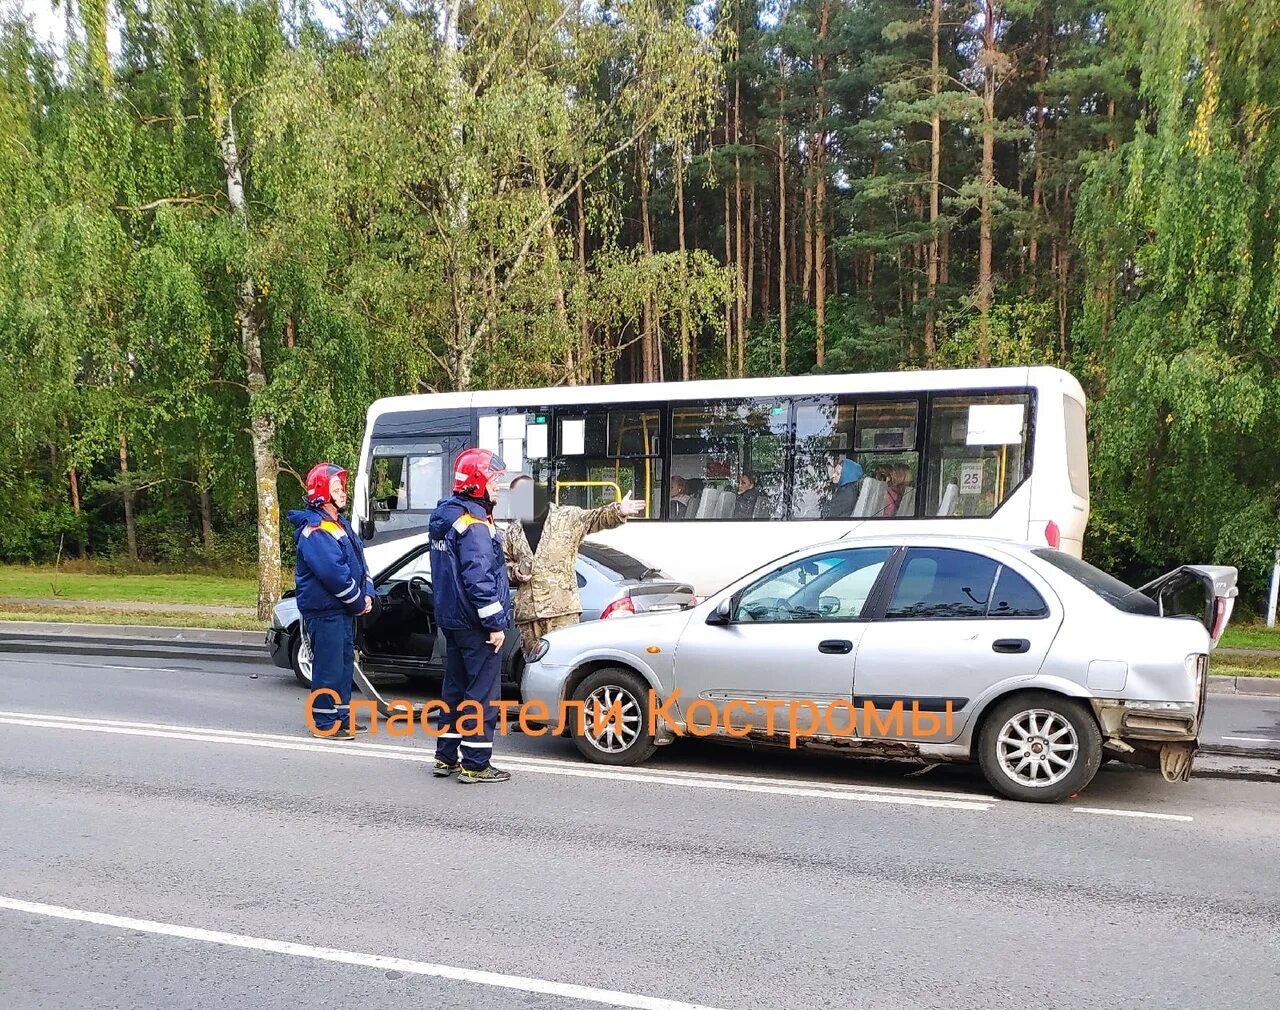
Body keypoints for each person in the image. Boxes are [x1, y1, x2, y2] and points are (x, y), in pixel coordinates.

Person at [427, 447, 515, 784]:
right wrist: (494, 624)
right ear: (478, 482)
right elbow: (478, 578)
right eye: (494, 479)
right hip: (476, 625)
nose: (498, 486)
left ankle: (445, 757)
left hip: (453, 621)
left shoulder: (448, 517)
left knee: (454, 690)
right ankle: (476, 763)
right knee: (481, 694)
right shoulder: (474, 524)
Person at [503, 476, 645, 657]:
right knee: (533, 669)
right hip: (530, 617)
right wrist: (515, 572)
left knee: (563, 665)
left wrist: (619, 510)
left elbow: (596, 518)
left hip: (562, 612)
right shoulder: (513, 531)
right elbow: (505, 565)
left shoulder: (567, 517)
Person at [286, 463, 375, 740]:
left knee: (343, 667)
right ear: (322, 494)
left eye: (342, 487)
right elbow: (334, 575)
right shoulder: (315, 531)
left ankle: (342, 718)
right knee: (328, 668)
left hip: (340, 611)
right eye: (336, 488)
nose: (343, 493)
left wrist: (368, 592)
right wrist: (359, 602)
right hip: (325, 612)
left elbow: (360, 564)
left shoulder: (339, 525)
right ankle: (325, 724)